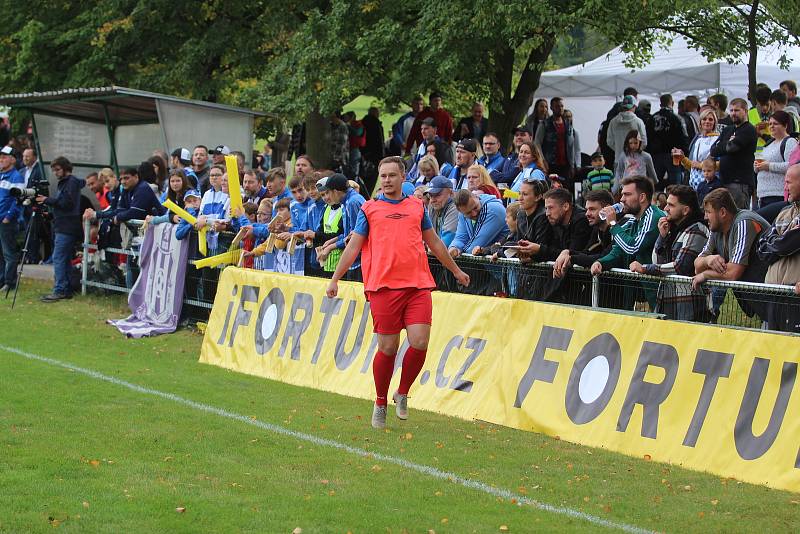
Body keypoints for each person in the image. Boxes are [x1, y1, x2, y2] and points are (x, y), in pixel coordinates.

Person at [326, 156, 469, 429]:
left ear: (403, 177)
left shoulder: (417, 207)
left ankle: (402, 392)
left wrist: (455, 271)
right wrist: (335, 279)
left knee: (419, 341)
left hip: (417, 285)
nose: (388, 180)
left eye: (393, 175)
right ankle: (380, 402)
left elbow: (435, 242)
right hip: (382, 286)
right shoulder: (369, 209)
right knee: (388, 347)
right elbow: (354, 247)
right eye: (384, 175)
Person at [629, 185, 710, 321]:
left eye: (671, 205)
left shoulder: (697, 230)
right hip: (667, 301)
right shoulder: (673, 229)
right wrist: (662, 237)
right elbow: (656, 261)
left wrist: (644, 268)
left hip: (688, 305)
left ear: (685, 210)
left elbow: (679, 267)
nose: (665, 209)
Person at [693, 188, 769, 320]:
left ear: (722, 212)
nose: (705, 217)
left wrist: (706, 274)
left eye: (708, 212)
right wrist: (708, 260)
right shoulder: (716, 228)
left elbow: (733, 273)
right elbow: (697, 266)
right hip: (760, 299)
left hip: (775, 297)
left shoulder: (744, 222)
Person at [591, 175, 664, 276]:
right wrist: (600, 262)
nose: (622, 199)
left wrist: (613, 224)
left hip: (655, 288)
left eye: (627, 194)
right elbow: (618, 250)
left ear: (642, 197)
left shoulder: (654, 216)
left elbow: (633, 247)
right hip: (636, 289)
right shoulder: (633, 220)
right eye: (622, 195)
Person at [35, 156, 85, 302]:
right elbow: (65, 207)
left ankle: (60, 289)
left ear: (65, 168)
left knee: (59, 258)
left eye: (57, 169)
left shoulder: (71, 182)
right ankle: (66, 288)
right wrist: (51, 214)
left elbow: (67, 203)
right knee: (65, 259)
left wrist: (47, 200)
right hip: (63, 224)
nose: (55, 173)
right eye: (54, 170)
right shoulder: (66, 183)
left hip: (66, 228)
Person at [553, 189, 614, 276]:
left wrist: (572, 258)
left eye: (592, 209)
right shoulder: (596, 229)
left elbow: (605, 256)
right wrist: (567, 252)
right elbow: (587, 252)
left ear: (607, 209)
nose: (587, 214)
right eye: (587, 209)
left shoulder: (617, 227)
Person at [710, 98, 757, 209]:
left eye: (736, 110)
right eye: (731, 110)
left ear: (745, 111)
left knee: (738, 216)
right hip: (724, 181)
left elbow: (732, 148)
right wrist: (728, 142)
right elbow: (713, 150)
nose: (733, 113)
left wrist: (726, 144)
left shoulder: (749, 129)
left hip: (740, 183)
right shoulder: (727, 130)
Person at [319, 173, 365, 281]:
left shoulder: (353, 202)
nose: (328, 197)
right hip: (353, 260)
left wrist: (332, 246)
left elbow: (355, 237)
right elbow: (348, 233)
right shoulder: (346, 202)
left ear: (336, 191)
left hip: (359, 262)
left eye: (328, 192)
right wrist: (332, 242)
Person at [754, 110, 798, 209]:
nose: (771, 126)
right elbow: (757, 167)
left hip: (778, 195)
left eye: (775, 124)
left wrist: (768, 166)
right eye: (770, 124)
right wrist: (756, 166)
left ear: (785, 126)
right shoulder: (767, 144)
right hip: (761, 196)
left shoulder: (789, 141)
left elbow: (792, 167)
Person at [449, 189, 509, 257]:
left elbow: (475, 246)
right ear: (460, 211)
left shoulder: (493, 209)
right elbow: (461, 237)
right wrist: (454, 248)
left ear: (477, 197)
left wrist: (459, 253)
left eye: (475, 207)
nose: (474, 214)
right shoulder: (462, 213)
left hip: (504, 264)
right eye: (468, 213)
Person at [647, 94, 689, 188]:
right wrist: (685, 154)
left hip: (656, 155)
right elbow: (684, 137)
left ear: (660, 104)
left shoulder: (652, 118)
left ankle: (655, 201)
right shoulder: (677, 118)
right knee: (675, 186)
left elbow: (647, 138)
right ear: (672, 103)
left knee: (655, 184)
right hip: (674, 155)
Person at [534, 97, 580, 182]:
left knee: (565, 188)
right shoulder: (544, 124)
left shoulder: (568, 124)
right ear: (551, 108)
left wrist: (572, 165)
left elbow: (571, 146)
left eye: (562, 106)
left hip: (565, 165)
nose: (560, 108)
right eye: (557, 106)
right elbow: (537, 143)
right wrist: (543, 160)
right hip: (549, 163)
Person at [681, 109, 720, 191]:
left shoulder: (718, 140)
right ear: (700, 122)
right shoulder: (698, 140)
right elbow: (692, 165)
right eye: (704, 119)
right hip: (695, 186)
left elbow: (721, 164)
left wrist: (701, 165)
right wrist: (683, 158)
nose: (707, 121)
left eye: (710, 119)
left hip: (710, 186)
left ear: (714, 123)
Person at [606, 95, 648, 163]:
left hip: (619, 160)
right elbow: (644, 142)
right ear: (634, 106)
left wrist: (619, 149)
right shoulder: (638, 121)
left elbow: (609, 142)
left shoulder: (613, 121)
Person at [426, 176, 458, 247]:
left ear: (451, 193)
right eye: (431, 196)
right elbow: (427, 234)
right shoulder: (432, 205)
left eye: (437, 195)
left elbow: (446, 241)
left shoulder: (455, 206)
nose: (432, 200)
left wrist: (428, 246)